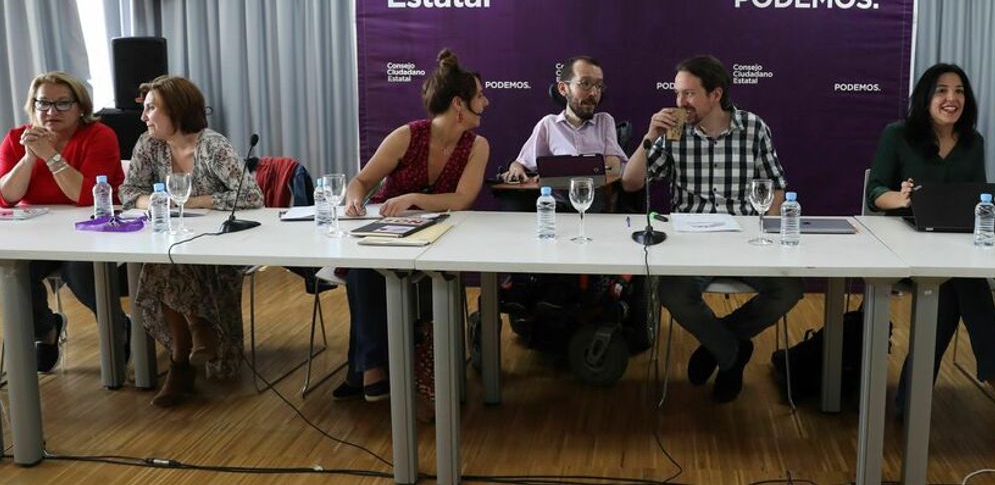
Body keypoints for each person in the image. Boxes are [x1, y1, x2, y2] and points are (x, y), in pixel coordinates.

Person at [622, 54, 800, 403]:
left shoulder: (753, 128)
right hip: (692, 243)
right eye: (677, 93)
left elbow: (776, 185)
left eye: (689, 94)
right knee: (672, 293)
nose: (680, 102)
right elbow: (631, 182)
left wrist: (767, 233)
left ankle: (717, 344)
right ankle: (731, 353)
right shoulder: (675, 130)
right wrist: (650, 136)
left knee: (789, 290)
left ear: (715, 94)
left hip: (744, 241)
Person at [867, 63, 995, 411]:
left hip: (955, 245)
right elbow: (875, 191)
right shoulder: (897, 134)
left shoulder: (973, 142)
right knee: (965, 282)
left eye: (959, 91)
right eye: (941, 91)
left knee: (953, 287)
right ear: (925, 97)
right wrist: (901, 198)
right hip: (906, 245)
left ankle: (910, 400)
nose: (951, 98)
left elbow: (979, 199)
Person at [339, 49, 490, 403]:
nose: (486, 102)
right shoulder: (407, 136)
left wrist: (414, 198)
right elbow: (361, 182)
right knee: (364, 268)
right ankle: (374, 367)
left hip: (443, 240)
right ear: (459, 104)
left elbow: (462, 199)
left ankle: (369, 370)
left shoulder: (477, 146)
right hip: (389, 234)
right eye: (480, 96)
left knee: (376, 273)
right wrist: (353, 202)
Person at [119, 75, 264, 407]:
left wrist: (194, 202)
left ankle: (181, 363)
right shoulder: (148, 144)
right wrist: (156, 203)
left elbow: (252, 196)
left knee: (166, 261)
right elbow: (128, 192)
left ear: (176, 110)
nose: (143, 117)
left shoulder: (212, 146)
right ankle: (196, 333)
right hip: (177, 241)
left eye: (151, 108)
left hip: (221, 248)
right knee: (167, 258)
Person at [0, 71, 126, 373]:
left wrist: (51, 157)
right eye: (43, 103)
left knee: (80, 271)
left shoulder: (99, 136)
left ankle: (118, 327)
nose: (51, 111)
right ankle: (46, 330)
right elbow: (6, 197)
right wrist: (29, 158)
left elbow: (85, 196)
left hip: (93, 232)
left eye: (62, 104)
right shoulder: (17, 138)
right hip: (39, 235)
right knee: (12, 271)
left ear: (80, 107)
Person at [499, 55, 627, 184]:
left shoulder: (604, 121)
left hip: (597, 194)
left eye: (599, 86)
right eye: (585, 84)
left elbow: (613, 169)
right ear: (563, 89)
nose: (594, 93)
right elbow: (520, 163)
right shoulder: (548, 124)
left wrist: (558, 174)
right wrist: (516, 169)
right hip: (559, 195)